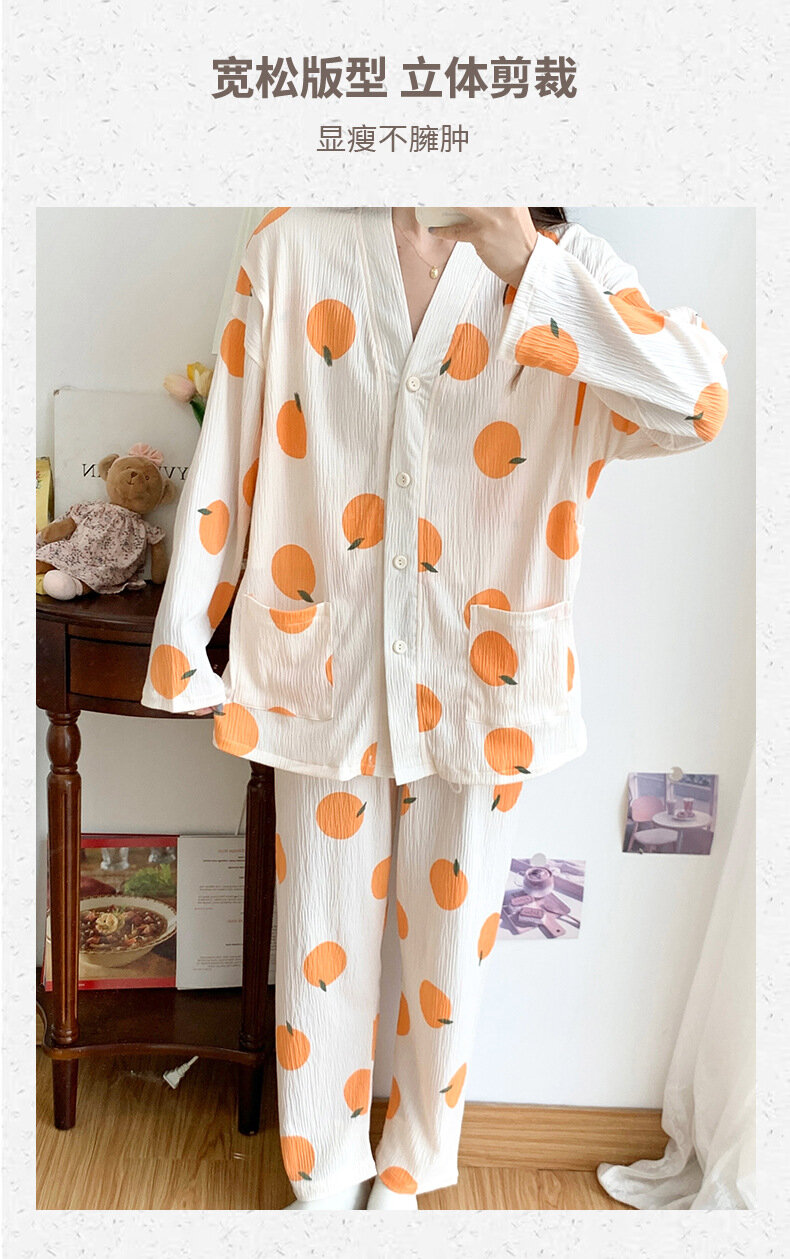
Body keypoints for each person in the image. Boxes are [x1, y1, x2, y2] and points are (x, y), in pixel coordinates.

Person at [140, 207, 728, 1209]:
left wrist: (524, 263)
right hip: (324, 664)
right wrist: (185, 633)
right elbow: (231, 438)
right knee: (320, 931)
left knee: (451, 946)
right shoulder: (295, 244)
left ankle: (409, 1171)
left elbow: (696, 404)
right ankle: (324, 1177)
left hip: (481, 675)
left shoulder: (566, 269)